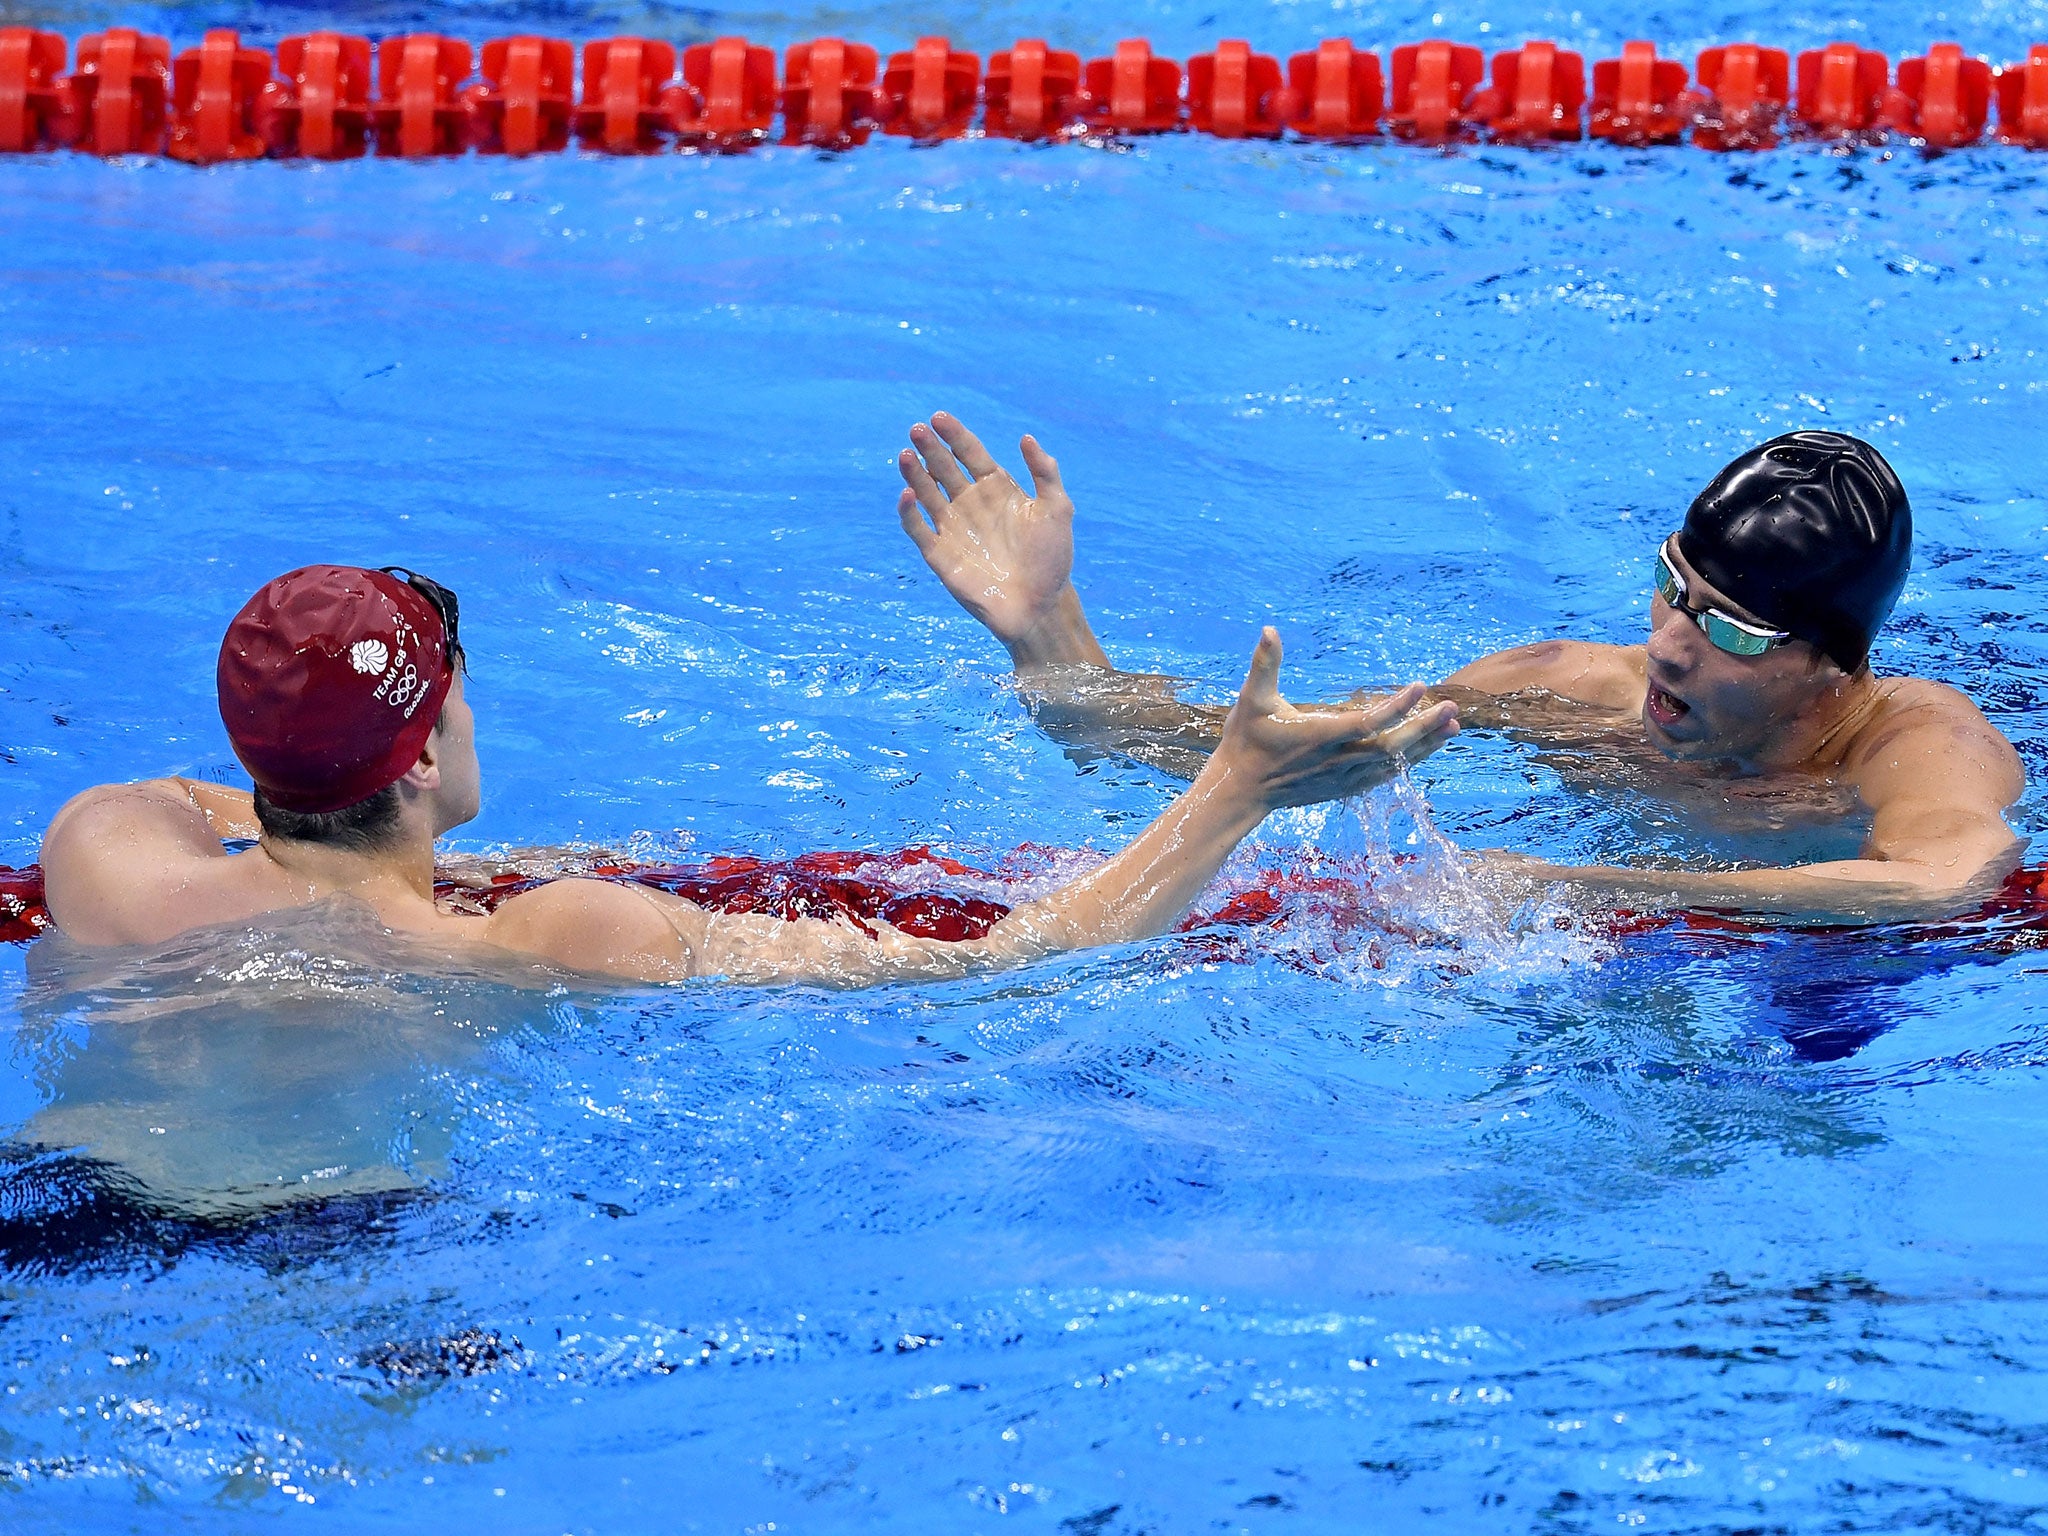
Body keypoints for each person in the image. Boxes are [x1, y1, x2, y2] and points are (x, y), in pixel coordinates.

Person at [37, 565, 1459, 984]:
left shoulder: (105, 858)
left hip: (85, 1217)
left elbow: (224, 801)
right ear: (424, 756)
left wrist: (333, 827)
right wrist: (1234, 788)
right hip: (364, 1257)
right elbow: (1017, 958)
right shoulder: (556, 935)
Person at [895, 413, 2025, 921]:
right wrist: (1047, 634)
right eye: (1669, 584)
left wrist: (1576, 889)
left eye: (1724, 626)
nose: (1669, 640)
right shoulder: (1571, 693)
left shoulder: (1914, 745)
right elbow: (1227, 756)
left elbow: (1943, 883)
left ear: (1828, 665)